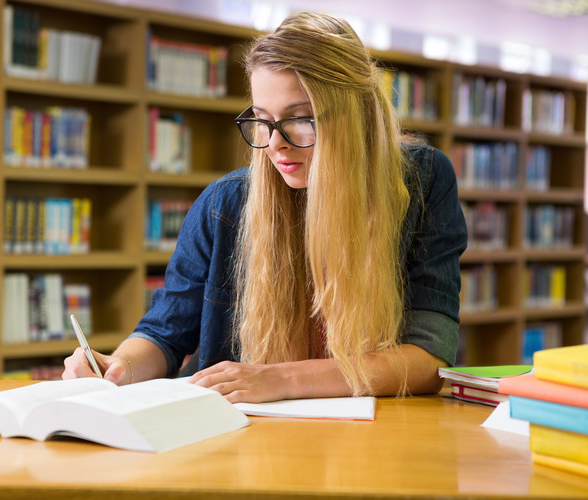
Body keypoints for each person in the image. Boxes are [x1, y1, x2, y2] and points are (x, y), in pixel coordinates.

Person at [63, 11, 467, 403]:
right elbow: (165, 334)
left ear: (356, 116)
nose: (274, 144)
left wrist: (281, 379)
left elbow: (428, 359)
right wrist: (120, 368)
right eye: (262, 119)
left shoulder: (422, 181)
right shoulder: (226, 203)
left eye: (300, 119)